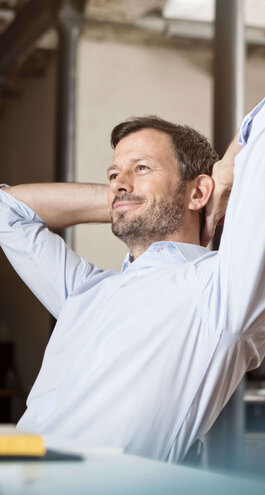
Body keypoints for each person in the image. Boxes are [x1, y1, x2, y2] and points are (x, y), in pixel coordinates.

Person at [0, 99, 265, 464]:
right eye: (113, 175)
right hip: (15, 471)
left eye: (141, 168)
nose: (119, 184)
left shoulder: (220, 290)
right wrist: (124, 200)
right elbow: (7, 212)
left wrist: (227, 168)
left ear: (199, 192)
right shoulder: (84, 291)